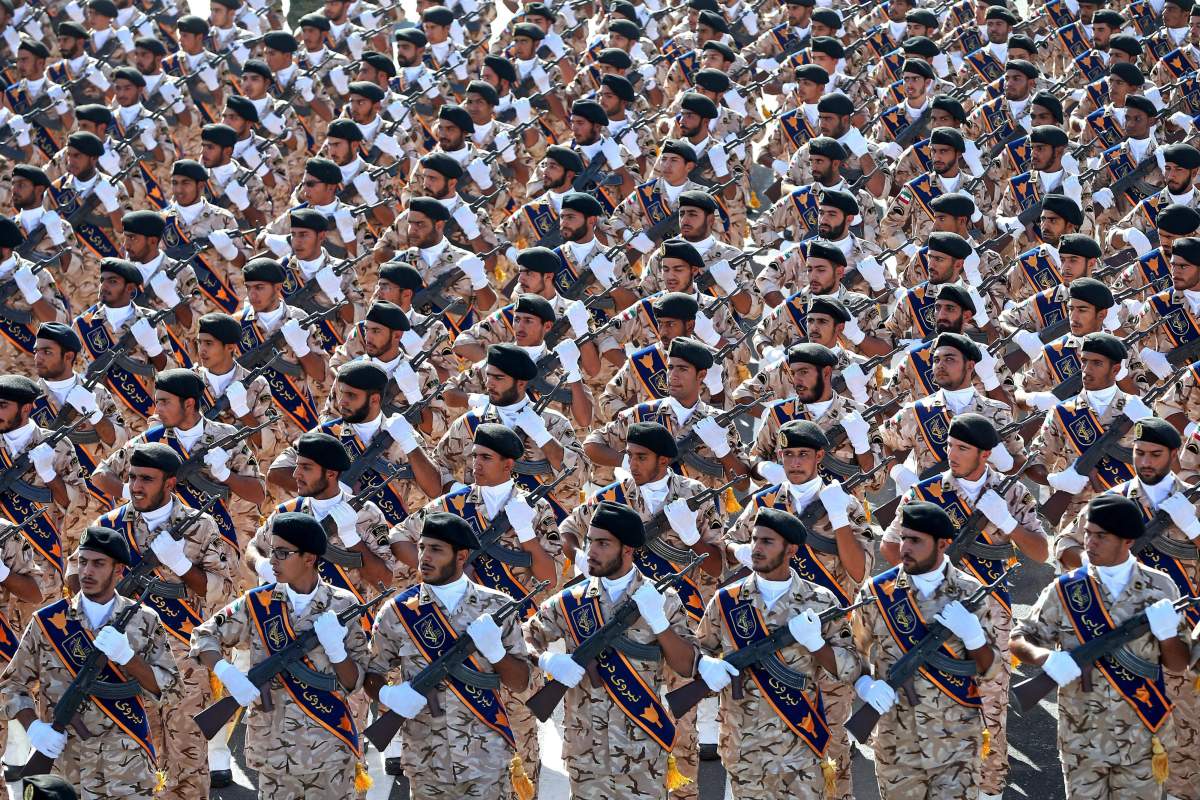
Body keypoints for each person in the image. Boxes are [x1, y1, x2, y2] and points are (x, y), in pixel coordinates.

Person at [1012, 494, 1190, 800]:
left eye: (1101, 537)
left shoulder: (1161, 588)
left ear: (1127, 540)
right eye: (1087, 535)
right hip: (1082, 737)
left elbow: (1178, 664)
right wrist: (1046, 658)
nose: (1089, 544)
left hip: (1143, 734)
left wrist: (1167, 635)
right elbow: (1019, 638)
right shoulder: (1067, 589)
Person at [189, 511, 371, 797]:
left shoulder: (342, 604)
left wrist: (337, 651)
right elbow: (203, 636)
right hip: (274, 751)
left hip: (329, 746)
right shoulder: (258, 603)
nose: (272, 560)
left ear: (310, 558)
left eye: (283, 553)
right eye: (273, 551)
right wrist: (227, 673)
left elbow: (356, 682)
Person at [525, 500, 698, 799]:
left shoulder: (663, 601)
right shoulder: (570, 601)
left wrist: (659, 622)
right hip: (586, 753)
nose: (591, 551)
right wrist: (547, 659)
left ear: (627, 550)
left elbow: (687, 665)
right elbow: (524, 636)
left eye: (603, 543)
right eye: (591, 541)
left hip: (643, 752)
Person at [0, 526, 180, 798]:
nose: (86, 572)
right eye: (83, 562)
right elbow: (11, 685)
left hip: (126, 768)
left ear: (119, 570)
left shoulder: (144, 620)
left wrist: (129, 659)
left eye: (98, 564)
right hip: (63, 767)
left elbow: (173, 690)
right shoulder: (48, 622)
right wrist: (33, 728)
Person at [366, 511, 535, 799]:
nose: (424, 557)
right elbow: (371, 673)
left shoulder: (496, 607)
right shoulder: (398, 612)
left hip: (487, 757)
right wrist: (388, 695)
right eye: (422, 547)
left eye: (436, 549)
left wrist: (497, 654)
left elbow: (521, 683)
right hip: (426, 758)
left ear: (461, 556)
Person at [695, 507, 861, 799]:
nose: (756, 549)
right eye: (755, 540)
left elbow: (851, 668)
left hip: (801, 745)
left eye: (767, 542)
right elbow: (696, 653)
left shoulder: (821, 602)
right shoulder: (727, 600)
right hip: (744, 746)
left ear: (791, 549)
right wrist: (706, 666)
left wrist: (816, 645)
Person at [852, 501, 1003, 799]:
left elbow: (994, 669)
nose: (904, 547)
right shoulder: (877, 592)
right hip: (896, 741)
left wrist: (974, 638)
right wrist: (863, 683)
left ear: (943, 544)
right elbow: (851, 648)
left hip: (956, 742)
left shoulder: (971, 593)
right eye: (904, 537)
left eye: (915, 540)